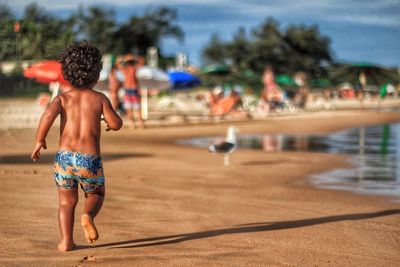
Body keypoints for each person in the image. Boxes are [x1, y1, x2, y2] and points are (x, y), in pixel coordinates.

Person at [31, 41, 123, 252]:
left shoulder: (62, 99)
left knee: (65, 202)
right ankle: (88, 214)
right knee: (96, 194)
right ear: (97, 74)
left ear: (66, 74)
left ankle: (65, 242)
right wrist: (108, 122)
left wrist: (39, 140)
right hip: (88, 160)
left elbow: (47, 116)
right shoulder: (99, 99)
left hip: (64, 159)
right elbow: (116, 124)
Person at [117, 54, 145, 129]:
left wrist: (126, 59)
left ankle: (136, 123)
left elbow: (118, 63)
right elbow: (142, 61)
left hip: (131, 89)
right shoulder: (131, 68)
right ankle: (136, 123)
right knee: (133, 108)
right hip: (131, 89)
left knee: (132, 108)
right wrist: (132, 58)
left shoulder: (127, 69)